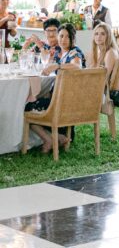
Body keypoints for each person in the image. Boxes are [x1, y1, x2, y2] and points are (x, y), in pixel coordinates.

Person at [26, 21, 86, 154]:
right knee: (35, 101)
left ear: (72, 38)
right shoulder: (62, 53)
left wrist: (57, 66)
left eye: (67, 37)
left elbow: (77, 66)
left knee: (27, 107)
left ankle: (48, 139)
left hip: (67, 102)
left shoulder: (74, 52)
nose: (63, 40)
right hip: (62, 99)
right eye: (61, 36)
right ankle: (60, 137)